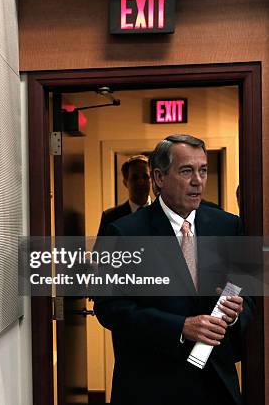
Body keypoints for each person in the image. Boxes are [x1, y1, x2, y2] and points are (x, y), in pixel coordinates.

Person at [94, 135, 254, 405]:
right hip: (152, 386)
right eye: (186, 171)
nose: (198, 180)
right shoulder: (125, 232)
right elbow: (110, 308)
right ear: (159, 178)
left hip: (216, 384)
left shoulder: (227, 225)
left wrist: (237, 312)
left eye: (203, 170)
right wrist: (180, 327)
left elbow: (247, 292)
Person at [97, 155, 151, 236]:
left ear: (152, 180)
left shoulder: (165, 214)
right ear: (125, 182)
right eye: (135, 178)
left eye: (145, 177)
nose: (141, 182)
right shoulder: (110, 217)